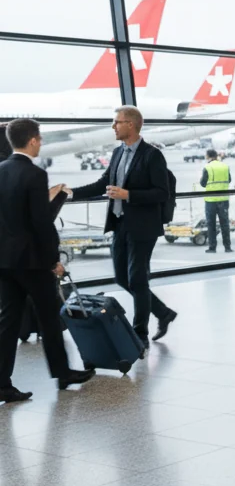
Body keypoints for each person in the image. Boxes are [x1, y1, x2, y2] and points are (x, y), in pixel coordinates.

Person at [0, 120, 95, 400]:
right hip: (32, 261)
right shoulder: (35, 174)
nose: (41, 143)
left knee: (7, 322)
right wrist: (53, 259)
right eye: (39, 139)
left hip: (4, 261)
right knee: (49, 318)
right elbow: (41, 224)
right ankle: (63, 373)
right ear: (31, 141)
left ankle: (2, 383)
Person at [68, 106, 176, 351]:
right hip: (120, 224)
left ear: (131, 124)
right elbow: (102, 184)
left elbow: (161, 193)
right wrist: (71, 193)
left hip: (143, 227)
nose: (113, 126)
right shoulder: (117, 153)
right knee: (122, 278)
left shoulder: (152, 155)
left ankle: (140, 333)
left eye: (117, 122)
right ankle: (164, 312)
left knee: (137, 280)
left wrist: (129, 194)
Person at [199, 148, 231, 254]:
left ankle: (212, 247)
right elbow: (229, 180)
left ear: (208, 156)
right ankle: (227, 247)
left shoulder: (207, 167)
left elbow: (203, 183)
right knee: (225, 224)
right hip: (224, 199)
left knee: (211, 224)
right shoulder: (225, 166)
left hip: (211, 200)